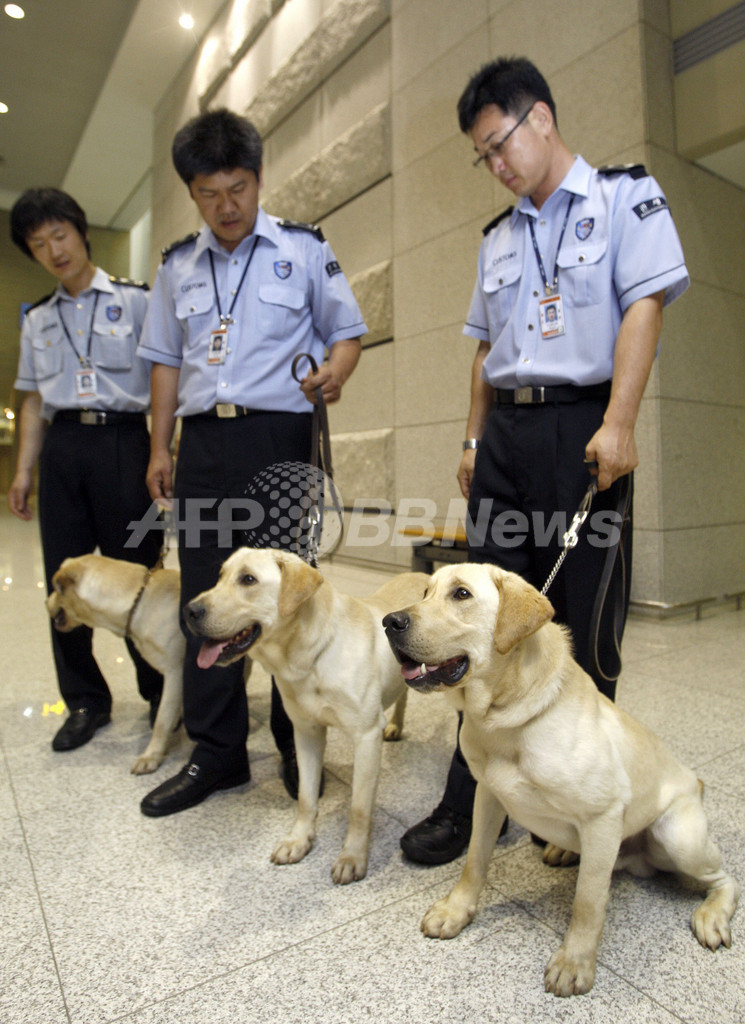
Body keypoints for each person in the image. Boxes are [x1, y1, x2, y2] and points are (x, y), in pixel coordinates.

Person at [400, 57, 689, 865]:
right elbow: (484, 350)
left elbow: (643, 307)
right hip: (506, 441)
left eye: (499, 144)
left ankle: (574, 799)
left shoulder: (622, 198)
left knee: (582, 623)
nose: (494, 165)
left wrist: (619, 422)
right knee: (474, 620)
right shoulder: (498, 236)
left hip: (582, 433)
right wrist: (472, 441)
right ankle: (469, 800)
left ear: (541, 119)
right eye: (482, 156)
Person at [136, 108, 366, 817]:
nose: (225, 205)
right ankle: (217, 752)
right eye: (208, 193)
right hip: (204, 444)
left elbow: (347, 333)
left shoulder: (302, 249)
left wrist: (335, 372)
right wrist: (160, 446)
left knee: (285, 594)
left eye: (237, 188)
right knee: (206, 595)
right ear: (192, 193)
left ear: (259, 178)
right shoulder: (176, 265)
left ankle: (297, 739)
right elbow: (165, 363)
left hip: (280, 438)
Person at [8, 188, 163, 752]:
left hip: (124, 441)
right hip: (64, 446)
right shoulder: (38, 319)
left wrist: (162, 449)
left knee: (140, 572)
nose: (54, 250)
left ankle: (159, 691)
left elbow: (164, 376)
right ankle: (84, 700)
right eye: (39, 244)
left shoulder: (136, 300)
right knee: (64, 581)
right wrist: (24, 470)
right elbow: (33, 401)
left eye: (60, 235)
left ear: (81, 232)